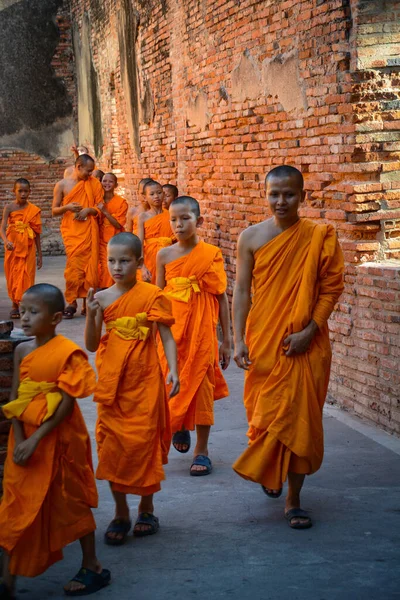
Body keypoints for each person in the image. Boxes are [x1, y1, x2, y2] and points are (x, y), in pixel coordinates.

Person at [232, 165, 344, 529]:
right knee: (263, 415)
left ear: (303, 197)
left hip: (306, 344)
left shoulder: (319, 235)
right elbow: (243, 292)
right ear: (264, 195)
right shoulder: (250, 237)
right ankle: (269, 466)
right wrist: (237, 339)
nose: (282, 201)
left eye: (290, 194)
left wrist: (310, 330)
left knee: (300, 419)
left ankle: (294, 500)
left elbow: (330, 289)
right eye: (274, 194)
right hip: (264, 339)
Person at [0, 283, 110, 598]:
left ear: (57, 317)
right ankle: (7, 579)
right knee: (15, 503)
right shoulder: (22, 350)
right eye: (23, 311)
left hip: (59, 438)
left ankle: (92, 565)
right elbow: (15, 396)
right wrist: (20, 438)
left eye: (34, 312)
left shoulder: (67, 352)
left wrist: (37, 441)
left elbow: (66, 402)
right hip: (24, 439)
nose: (25, 318)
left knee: (70, 501)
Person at [85, 232, 179, 545]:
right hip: (112, 384)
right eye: (111, 260)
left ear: (139, 262)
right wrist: (91, 315)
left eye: (124, 261)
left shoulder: (152, 294)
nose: (117, 267)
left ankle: (147, 508)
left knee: (143, 445)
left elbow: (165, 335)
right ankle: (121, 512)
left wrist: (175, 370)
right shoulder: (101, 298)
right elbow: (89, 343)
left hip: (145, 381)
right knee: (112, 449)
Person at [156, 196, 231, 476]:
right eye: (173, 219)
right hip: (171, 334)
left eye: (185, 218)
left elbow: (221, 298)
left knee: (202, 388)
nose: (178, 224)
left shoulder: (210, 254)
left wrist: (227, 341)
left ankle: (202, 449)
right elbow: (158, 299)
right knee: (169, 384)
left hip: (202, 333)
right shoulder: (164, 255)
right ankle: (177, 425)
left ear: (198, 221)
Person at [52, 154, 103, 318]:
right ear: (78, 166)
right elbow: (54, 211)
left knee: (90, 269)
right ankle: (71, 302)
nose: (90, 174)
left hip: (89, 229)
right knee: (74, 269)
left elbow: (100, 207)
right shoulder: (62, 185)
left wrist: (89, 210)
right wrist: (67, 207)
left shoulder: (94, 184)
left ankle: (86, 304)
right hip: (72, 232)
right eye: (88, 171)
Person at [0, 178, 42, 319]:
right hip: (13, 247)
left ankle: (25, 305)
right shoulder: (9, 208)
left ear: (30, 192)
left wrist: (40, 255)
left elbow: (36, 234)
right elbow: (2, 228)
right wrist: (6, 241)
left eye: (26, 191)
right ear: (14, 191)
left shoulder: (33, 210)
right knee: (13, 275)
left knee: (27, 276)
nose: (23, 194)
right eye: (20, 191)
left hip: (29, 249)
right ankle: (14, 305)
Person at [138, 180, 175, 283]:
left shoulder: (171, 214)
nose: (156, 196)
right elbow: (139, 243)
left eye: (159, 193)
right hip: (150, 258)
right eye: (152, 194)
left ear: (163, 194)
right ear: (145, 197)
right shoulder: (143, 217)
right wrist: (142, 267)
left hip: (169, 256)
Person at [98, 173, 128, 289]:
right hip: (99, 240)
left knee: (113, 267)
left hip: (116, 241)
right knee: (101, 268)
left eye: (110, 182)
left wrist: (105, 212)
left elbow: (118, 224)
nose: (107, 184)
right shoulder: (97, 200)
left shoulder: (121, 202)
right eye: (104, 181)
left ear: (116, 184)